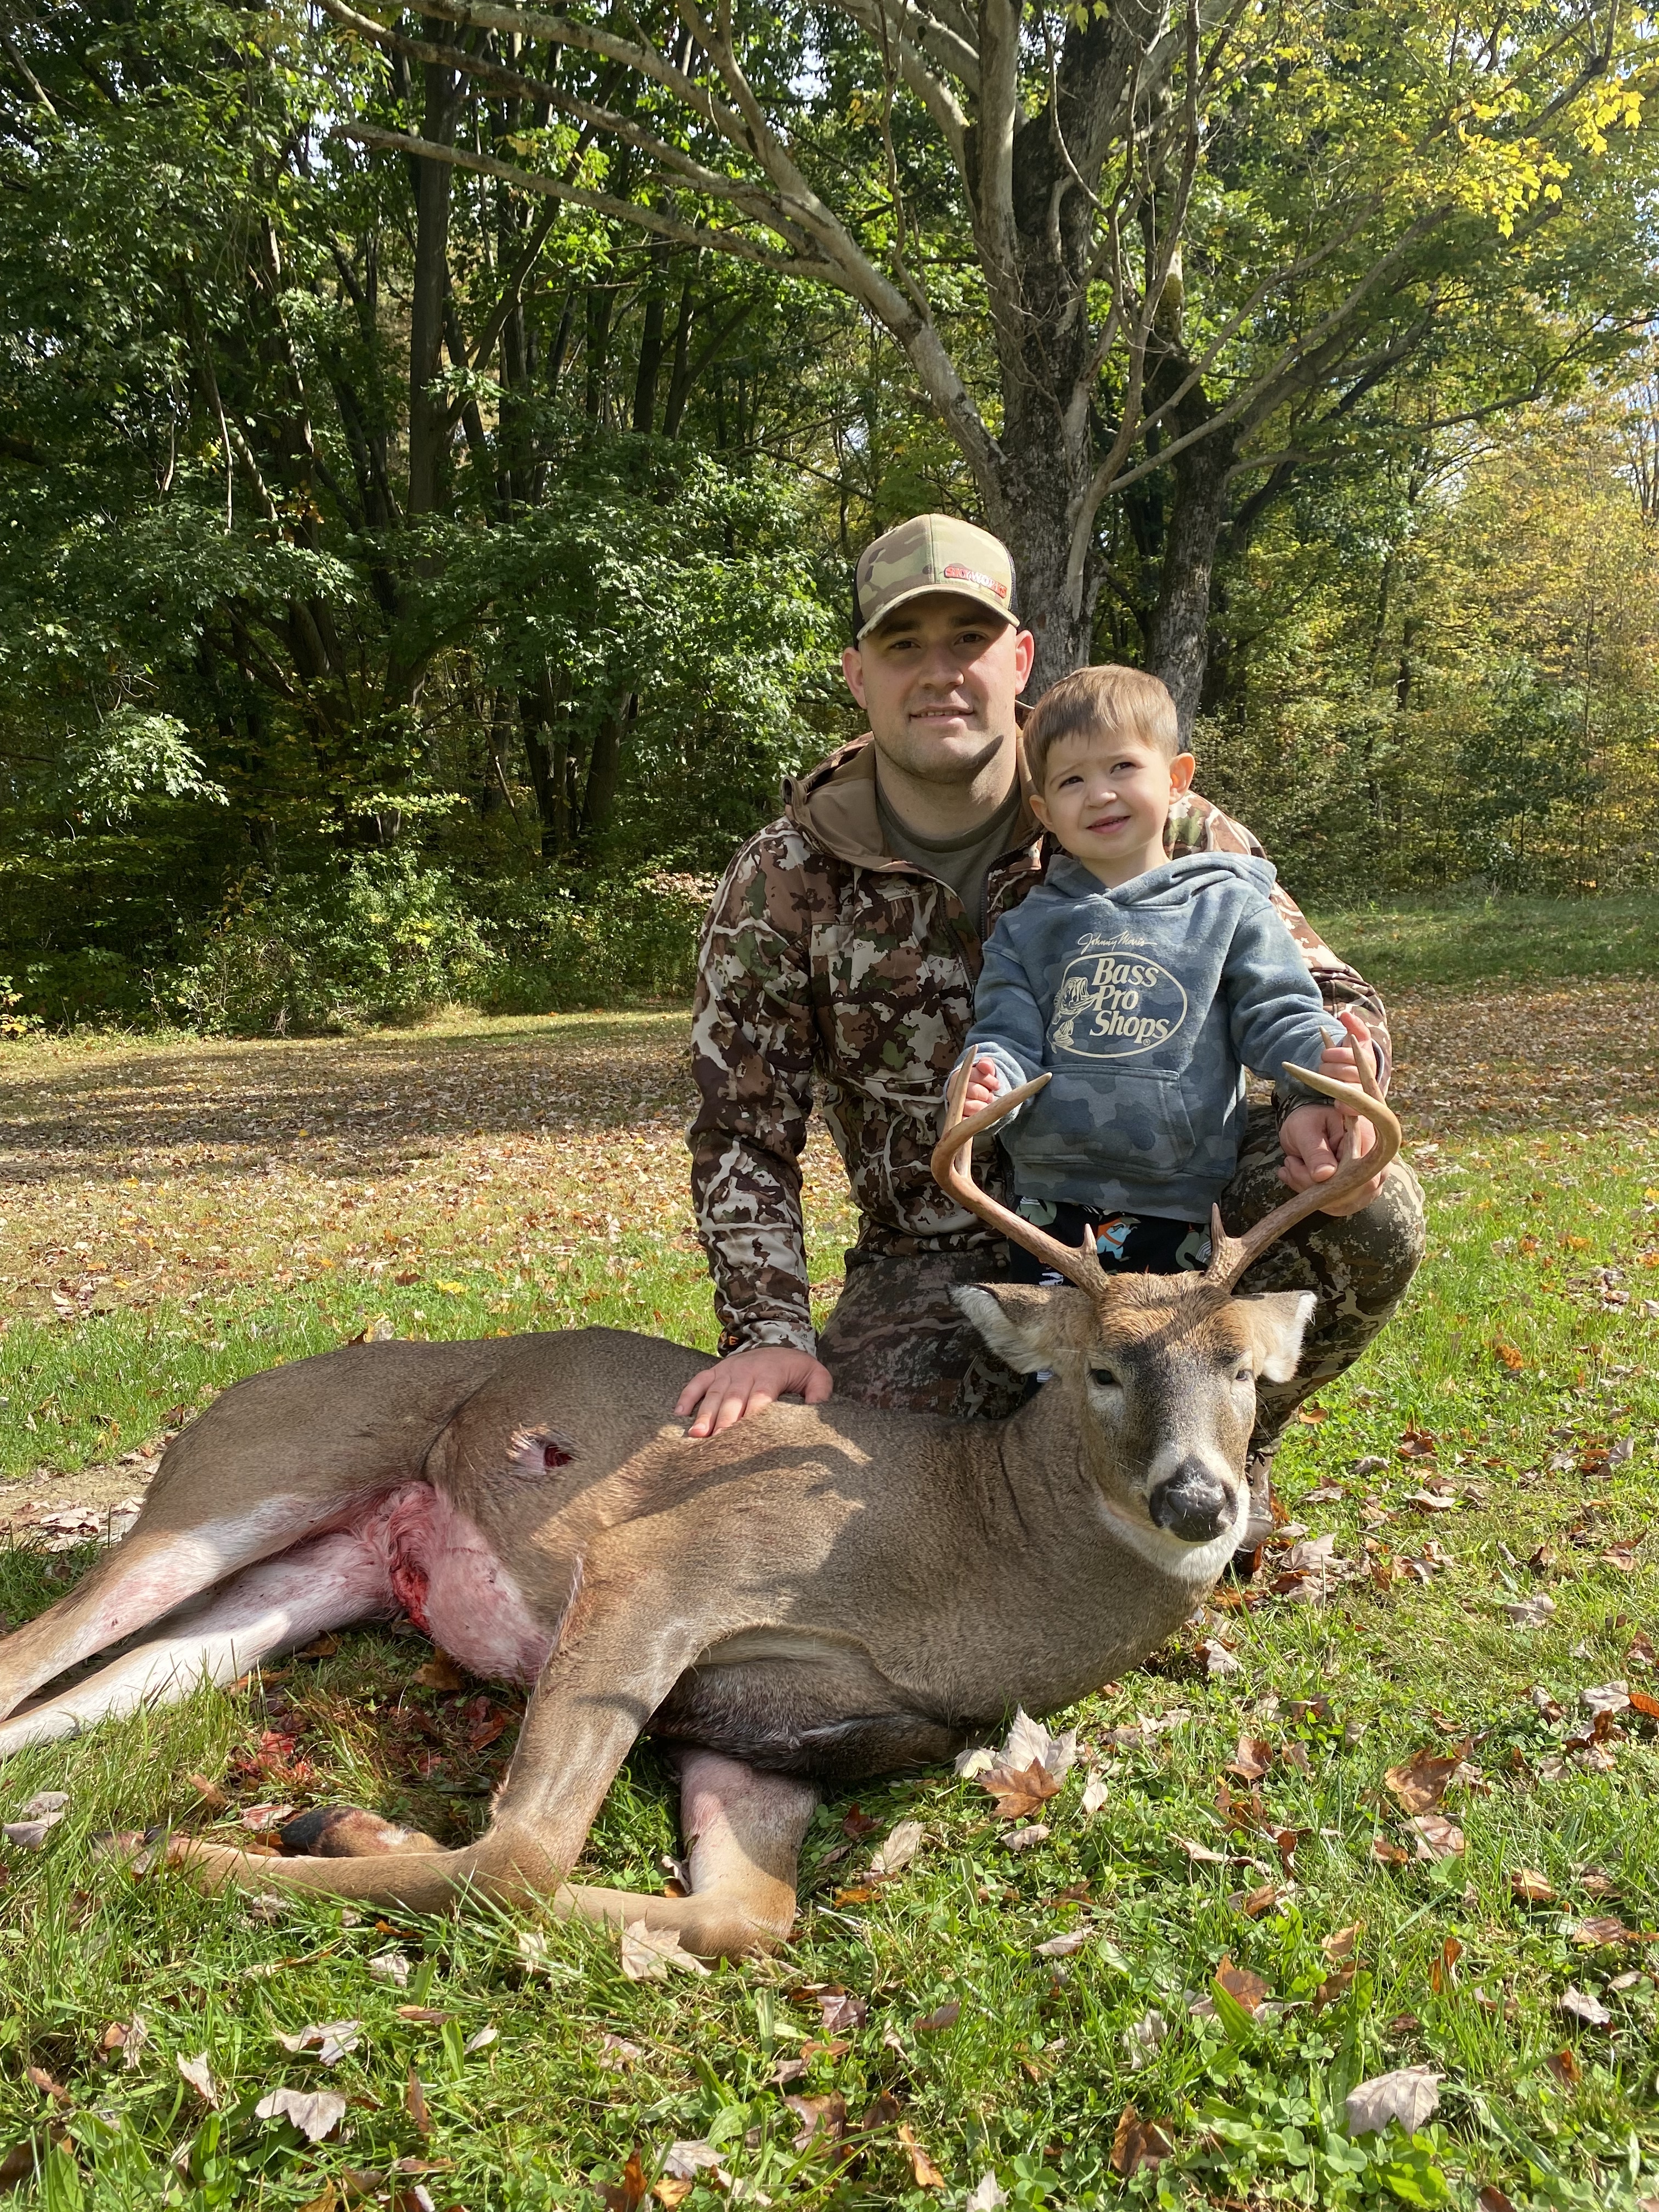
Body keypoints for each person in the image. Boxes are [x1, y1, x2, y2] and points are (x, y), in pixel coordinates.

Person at [675, 513, 1423, 1555]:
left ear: (1016, 656)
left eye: (967, 641)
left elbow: (1325, 987)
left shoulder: (1152, 809)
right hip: (940, 1254)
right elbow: (739, 1131)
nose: (939, 674)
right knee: (872, 1498)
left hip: (1169, 1227)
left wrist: (1320, 1098)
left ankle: (1214, 1445)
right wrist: (766, 1332)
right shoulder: (782, 878)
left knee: (1369, 1201)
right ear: (857, 673)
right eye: (903, 645)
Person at [956, 662, 1349, 1293]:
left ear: (1176, 780)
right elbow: (1006, 1038)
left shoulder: (1227, 908)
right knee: (1068, 1376)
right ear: (1045, 811)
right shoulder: (1026, 929)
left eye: (1122, 767)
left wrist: (1328, 1060)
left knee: (1170, 1373)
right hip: (1051, 1205)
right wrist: (984, 1085)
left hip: (1183, 1202)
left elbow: (1276, 1014)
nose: (1100, 793)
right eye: (1072, 780)